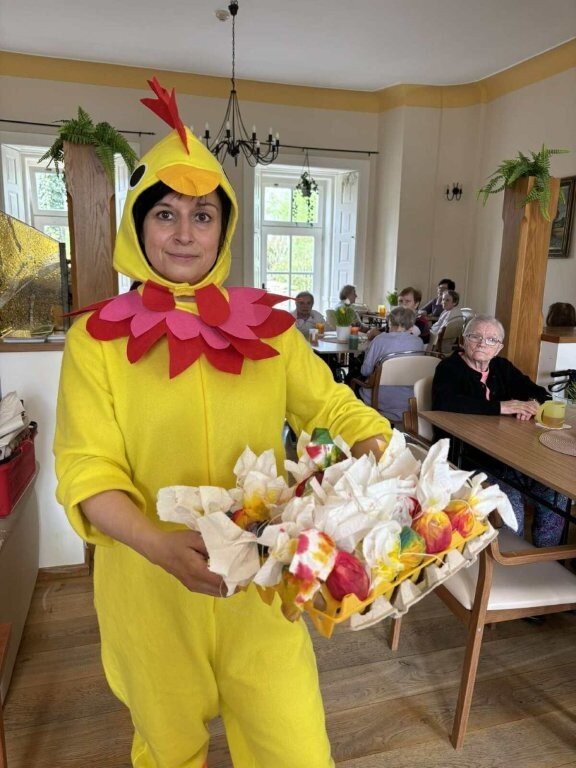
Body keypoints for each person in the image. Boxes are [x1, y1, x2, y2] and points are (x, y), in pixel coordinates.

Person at [53, 80, 392, 768]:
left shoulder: (270, 330)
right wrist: (154, 543)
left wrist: (383, 459)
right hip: (149, 590)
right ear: (138, 225)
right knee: (168, 751)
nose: (185, 232)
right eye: (166, 214)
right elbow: (87, 468)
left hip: (261, 587)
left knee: (295, 750)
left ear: (223, 228)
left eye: (202, 215)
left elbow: (333, 408)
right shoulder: (96, 340)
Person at [432, 314, 565, 547]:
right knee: (509, 504)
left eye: (491, 339)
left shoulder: (502, 367)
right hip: (469, 456)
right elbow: (446, 402)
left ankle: (546, 555)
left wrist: (532, 404)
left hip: (512, 455)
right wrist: (502, 407)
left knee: (555, 494)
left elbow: (538, 392)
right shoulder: (449, 368)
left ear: (499, 347)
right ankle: (510, 558)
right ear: (463, 340)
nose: (482, 343)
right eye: (475, 336)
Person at [359, 306, 424, 423]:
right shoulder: (418, 342)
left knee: (355, 381)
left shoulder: (379, 340)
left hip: (379, 398)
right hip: (408, 400)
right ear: (411, 325)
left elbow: (365, 371)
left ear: (390, 322)